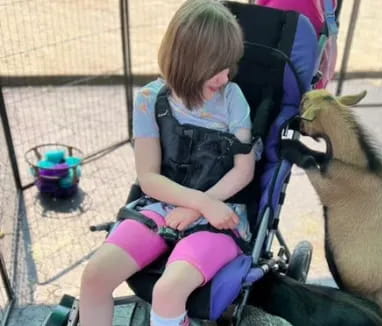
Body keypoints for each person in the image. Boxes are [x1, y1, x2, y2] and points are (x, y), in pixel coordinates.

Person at [79, 1, 255, 325]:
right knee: (94, 277)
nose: (226, 75)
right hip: (163, 206)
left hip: (221, 215)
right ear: (188, 63)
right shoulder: (149, 100)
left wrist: (202, 207)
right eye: (217, 67)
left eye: (230, 65)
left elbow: (243, 170)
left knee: (168, 291)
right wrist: (197, 202)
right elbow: (148, 178)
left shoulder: (233, 98)